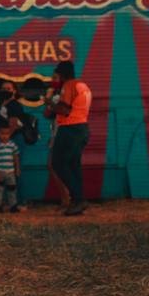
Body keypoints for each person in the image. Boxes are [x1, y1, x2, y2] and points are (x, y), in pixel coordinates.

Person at [46, 58, 91, 216]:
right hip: (82, 128)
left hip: (70, 128)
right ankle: (77, 201)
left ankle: (78, 198)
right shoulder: (83, 85)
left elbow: (64, 109)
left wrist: (51, 105)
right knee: (73, 165)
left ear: (61, 73)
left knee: (57, 163)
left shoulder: (68, 85)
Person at [0, 121, 22, 213]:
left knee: (12, 189)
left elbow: (16, 158)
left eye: (7, 134)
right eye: (2, 133)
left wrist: (17, 169)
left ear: (10, 134)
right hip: (0, 171)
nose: (5, 136)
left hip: (11, 171)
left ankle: (13, 206)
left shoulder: (12, 145)